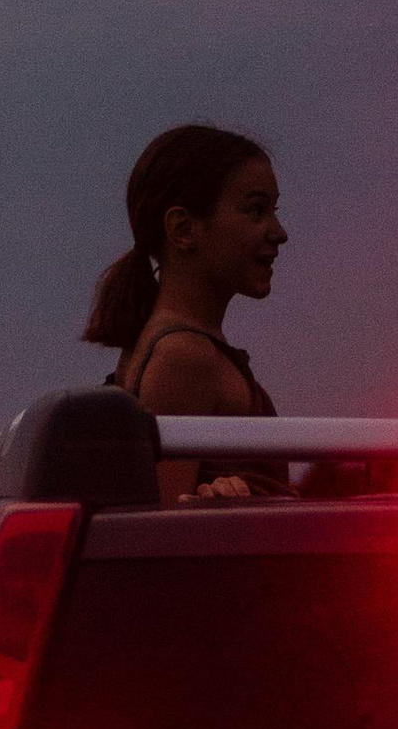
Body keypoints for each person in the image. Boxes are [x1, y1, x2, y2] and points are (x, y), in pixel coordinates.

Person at [83, 122, 286, 501]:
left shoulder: (173, 346)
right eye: (256, 210)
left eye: (274, 210)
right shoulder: (184, 357)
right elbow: (157, 532)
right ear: (183, 229)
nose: (279, 232)